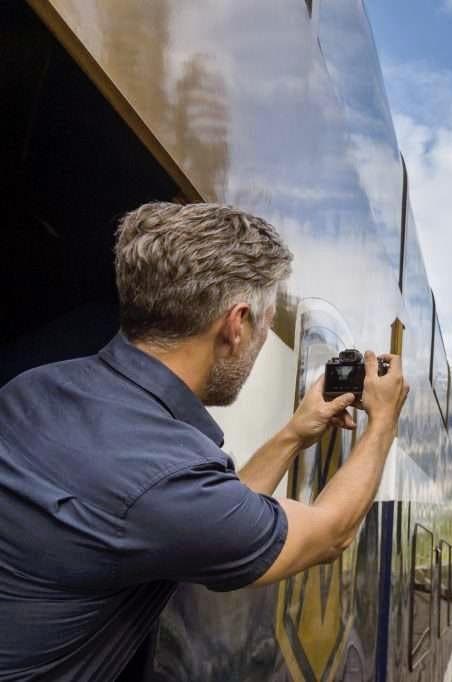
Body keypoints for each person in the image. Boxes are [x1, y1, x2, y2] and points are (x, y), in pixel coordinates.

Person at [0, 202, 409, 681]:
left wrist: (295, 433)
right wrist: (383, 421)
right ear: (235, 326)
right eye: (263, 322)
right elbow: (330, 532)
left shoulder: (34, 388)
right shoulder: (164, 482)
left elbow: (210, 512)